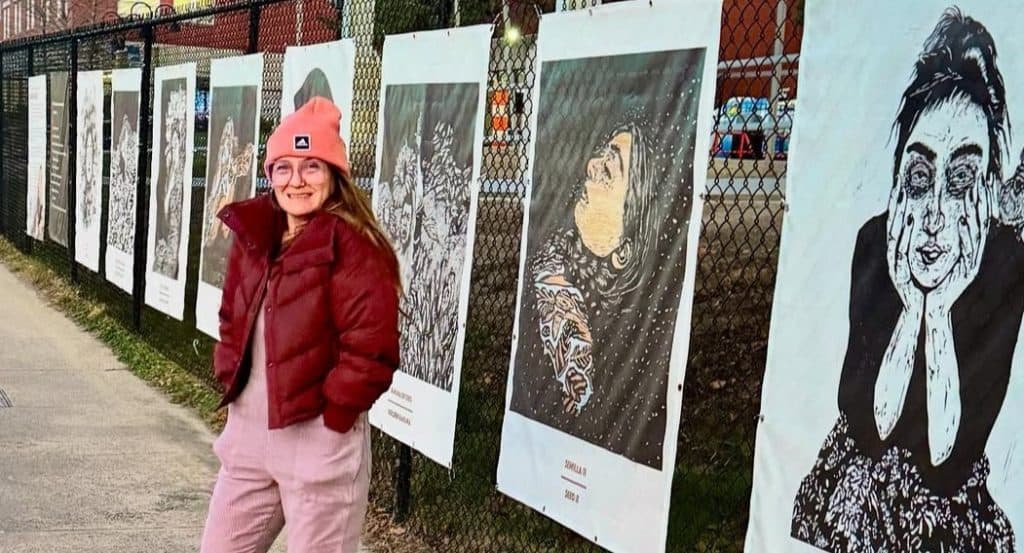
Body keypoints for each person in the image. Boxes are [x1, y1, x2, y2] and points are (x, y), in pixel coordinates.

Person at [791, 9, 1024, 551]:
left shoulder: (1006, 264)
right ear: (898, 182)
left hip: (949, 513)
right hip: (857, 491)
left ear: (988, 189)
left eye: (961, 178)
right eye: (920, 176)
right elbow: (867, 426)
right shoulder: (876, 243)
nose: (935, 215)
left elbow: (947, 462)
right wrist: (911, 306)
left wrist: (938, 313)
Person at [200, 97, 401, 553]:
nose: (297, 181)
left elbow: (371, 349)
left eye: (312, 166)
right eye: (284, 168)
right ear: (270, 175)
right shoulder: (255, 235)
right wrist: (229, 373)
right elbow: (232, 315)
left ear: (334, 174)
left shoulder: (355, 247)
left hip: (319, 444)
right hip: (249, 440)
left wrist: (335, 420)